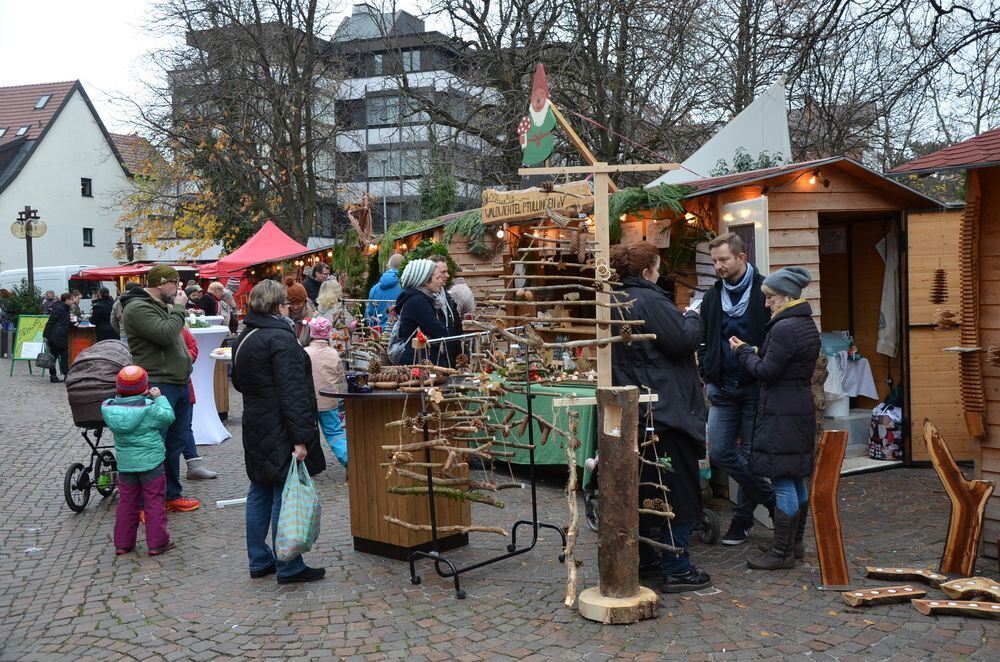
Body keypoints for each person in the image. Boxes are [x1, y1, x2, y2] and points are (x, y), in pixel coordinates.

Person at [609, 241, 711, 593]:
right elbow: (682, 340)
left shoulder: (612, 297)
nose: (659, 271)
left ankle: (649, 558)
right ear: (646, 271)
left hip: (637, 408)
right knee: (676, 488)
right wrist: (694, 314)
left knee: (645, 488)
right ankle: (677, 566)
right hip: (664, 409)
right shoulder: (650, 299)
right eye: (657, 266)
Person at [232, 279, 327, 584]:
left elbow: (238, 383)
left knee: (259, 489)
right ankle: (288, 564)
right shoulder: (281, 339)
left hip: (255, 421)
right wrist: (301, 438)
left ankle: (259, 560)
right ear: (278, 306)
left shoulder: (244, 336)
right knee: (280, 493)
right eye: (285, 302)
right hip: (279, 425)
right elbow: (293, 393)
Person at [732, 267, 820, 570]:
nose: (767, 304)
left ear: (785, 296)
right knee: (795, 477)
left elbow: (766, 371)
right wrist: (758, 351)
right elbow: (784, 362)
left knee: (783, 479)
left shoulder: (784, 328)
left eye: (770, 298)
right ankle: (795, 544)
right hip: (797, 407)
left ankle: (781, 552)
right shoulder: (804, 323)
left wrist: (744, 352)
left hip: (782, 411)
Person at [699, 232, 775, 546]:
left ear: (741, 257)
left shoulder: (765, 291)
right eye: (714, 261)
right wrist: (706, 369)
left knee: (750, 457)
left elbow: (774, 336)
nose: (718, 266)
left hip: (756, 387)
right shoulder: (712, 296)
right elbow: (704, 338)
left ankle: (742, 522)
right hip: (722, 389)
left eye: (723, 260)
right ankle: (772, 501)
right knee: (719, 451)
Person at [120, 265, 201, 512]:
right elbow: (166, 334)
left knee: (176, 442)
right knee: (157, 445)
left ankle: (171, 495)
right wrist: (178, 308)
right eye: (175, 283)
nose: (179, 289)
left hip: (178, 382)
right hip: (158, 383)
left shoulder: (163, 306)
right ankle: (149, 504)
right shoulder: (137, 308)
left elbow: (176, 338)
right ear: (160, 283)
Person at [102, 366, 176, 556]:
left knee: (127, 503)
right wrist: (159, 397)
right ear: (145, 387)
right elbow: (168, 417)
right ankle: (158, 543)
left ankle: (123, 544)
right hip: (151, 464)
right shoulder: (149, 408)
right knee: (154, 502)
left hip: (126, 465)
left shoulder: (110, 409)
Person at [392, 258, 461, 367]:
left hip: (419, 359)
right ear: (425, 281)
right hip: (419, 362)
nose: (440, 281)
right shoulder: (418, 302)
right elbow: (440, 331)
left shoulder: (416, 298)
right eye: (437, 277)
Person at [304, 317, 348, 469]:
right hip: (329, 401)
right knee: (335, 433)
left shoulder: (305, 352)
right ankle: (350, 460)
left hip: (308, 401)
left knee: (307, 434)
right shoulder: (333, 354)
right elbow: (340, 377)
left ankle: (307, 466)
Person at [180, 326, 218, 480]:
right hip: (164, 384)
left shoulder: (181, 328)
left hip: (182, 381)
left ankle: (194, 466)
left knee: (185, 426)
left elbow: (192, 346)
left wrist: (183, 359)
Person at [316, 279, 356, 351]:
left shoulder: (317, 310)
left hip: (323, 345)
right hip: (338, 344)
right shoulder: (339, 308)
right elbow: (351, 324)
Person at [42, 292, 74, 382]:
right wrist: (46, 335)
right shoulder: (60, 308)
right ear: (67, 300)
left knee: (60, 356)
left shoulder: (63, 308)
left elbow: (63, 321)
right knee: (57, 356)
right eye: (71, 300)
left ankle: (59, 375)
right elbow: (51, 321)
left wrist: (72, 323)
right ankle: (58, 375)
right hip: (57, 336)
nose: (72, 302)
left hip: (60, 336)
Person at [366, 253, 404, 327]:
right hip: (400, 332)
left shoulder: (374, 289)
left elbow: (369, 314)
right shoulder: (407, 287)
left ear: (388, 266)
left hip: (379, 333)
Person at [285, 277, 316, 346]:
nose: (295, 307)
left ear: (304, 302)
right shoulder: (283, 318)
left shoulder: (313, 316)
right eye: (292, 303)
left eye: (299, 303)